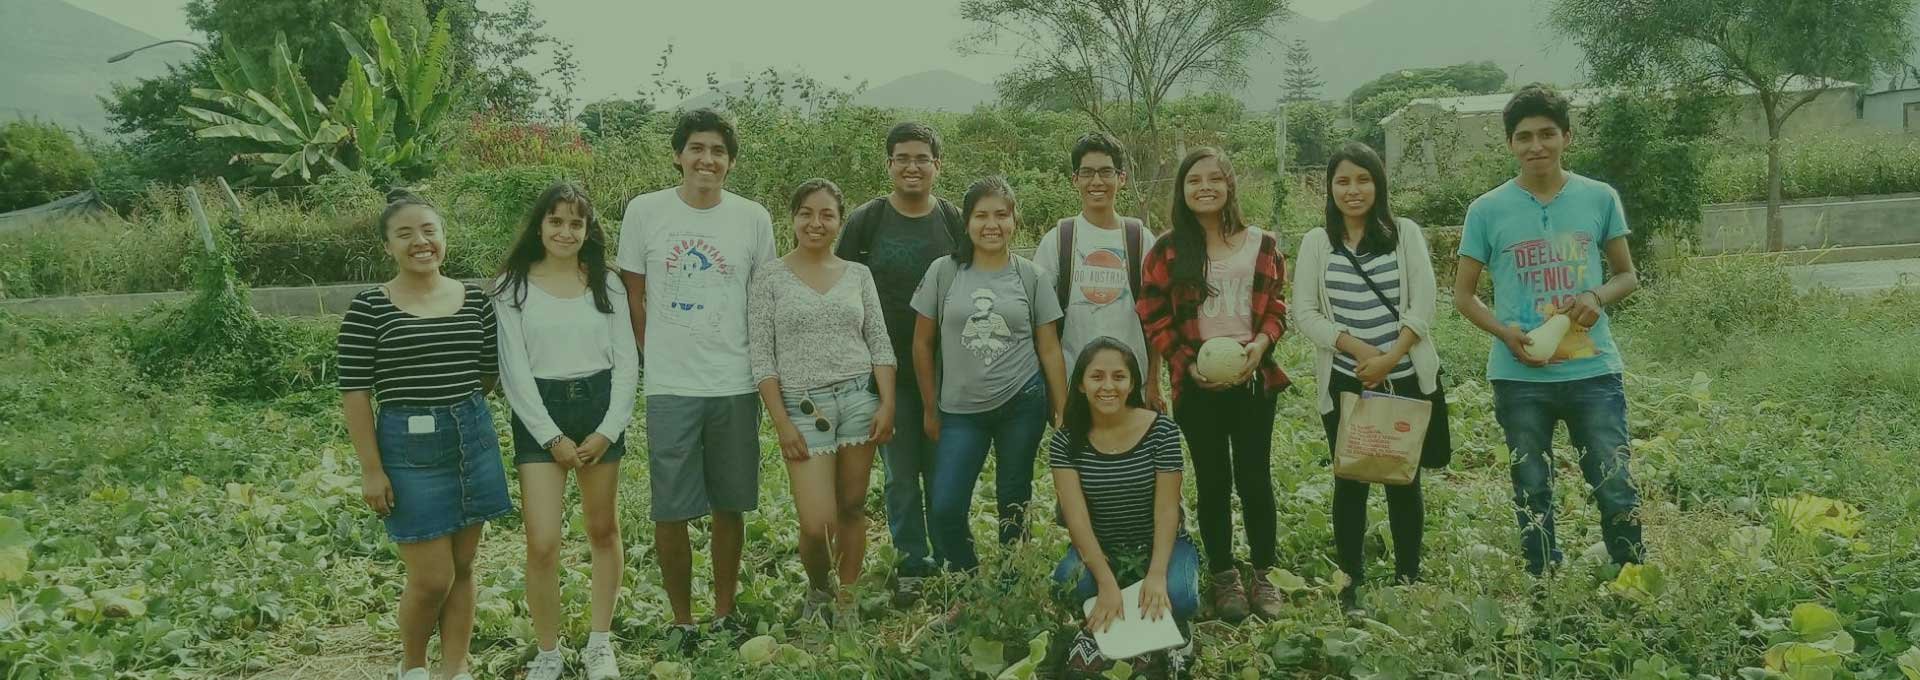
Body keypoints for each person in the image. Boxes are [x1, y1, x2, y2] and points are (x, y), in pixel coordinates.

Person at [1453, 84, 1644, 576]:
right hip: (1519, 378)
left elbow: (1627, 274)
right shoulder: (1487, 210)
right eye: (1524, 137)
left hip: (1593, 370)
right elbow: (1463, 295)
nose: (1536, 146)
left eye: (1546, 134)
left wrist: (1594, 295)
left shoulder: (1599, 198)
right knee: (1531, 483)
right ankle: (1544, 580)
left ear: (1567, 137)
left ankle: (1632, 575)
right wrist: (1505, 333)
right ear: (1510, 145)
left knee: (1613, 477)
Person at [616, 108, 778, 652]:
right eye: (696, 149)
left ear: (730, 163)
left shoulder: (752, 218)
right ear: (679, 154)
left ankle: (726, 610)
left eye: (718, 152)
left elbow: (761, 297)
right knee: (671, 506)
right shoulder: (645, 212)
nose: (706, 160)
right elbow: (634, 294)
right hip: (671, 385)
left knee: (729, 502)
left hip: (734, 380)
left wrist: (760, 370)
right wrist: (652, 353)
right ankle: (682, 619)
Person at [339, 190, 512, 680]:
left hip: (472, 439)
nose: (421, 241)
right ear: (388, 246)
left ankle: (453, 668)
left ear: (443, 236)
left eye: (429, 230)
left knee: (464, 567)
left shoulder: (476, 301)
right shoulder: (370, 307)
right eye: (406, 233)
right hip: (408, 451)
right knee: (432, 578)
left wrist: (454, 412)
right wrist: (372, 470)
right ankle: (413, 667)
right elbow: (355, 393)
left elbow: (485, 374)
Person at [1289, 142, 1450, 612]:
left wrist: (1390, 356)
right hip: (1345, 382)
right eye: (1343, 181)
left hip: (1401, 378)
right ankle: (1350, 581)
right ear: (1330, 188)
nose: (1353, 190)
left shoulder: (1405, 234)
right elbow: (1305, 312)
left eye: (1363, 179)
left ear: (1378, 184)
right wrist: (1358, 349)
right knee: (1351, 480)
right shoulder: (1318, 242)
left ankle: (1408, 576)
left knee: (1404, 479)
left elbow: (1424, 304)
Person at [1137, 147, 1290, 623]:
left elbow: (1276, 309)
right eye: (1193, 181)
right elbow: (1153, 314)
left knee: (1254, 477)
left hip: (1251, 381)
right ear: (1183, 191)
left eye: (1214, 179)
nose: (1204, 187)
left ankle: (1265, 572)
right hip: (1195, 388)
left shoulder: (1261, 244)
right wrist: (1187, 364)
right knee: (1212, 481)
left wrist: (1261, 346)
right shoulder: (1167, 249)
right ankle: (1224, 576)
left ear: (1229, 186)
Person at [491, 182, 637, 680]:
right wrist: (550, 436)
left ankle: (600, 642)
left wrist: (610, 427)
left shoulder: (606, 283)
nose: (565, 231)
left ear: (588, 229)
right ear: (539, 225)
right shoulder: (512, 285)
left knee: (602, 529)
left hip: (598, 408)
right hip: (540, 414)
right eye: (556, 221)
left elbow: (626, 362)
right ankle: (548, 651)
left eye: (576, 222)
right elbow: (513, 369)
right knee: (543, 542)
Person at [748, 178, 896, 626]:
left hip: (857, 400)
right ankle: (818, 588)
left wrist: (886, 402)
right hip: (803, 408)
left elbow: (880, 342)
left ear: (839, 221)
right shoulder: (770, 276)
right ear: (793, 218)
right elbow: (762, 356)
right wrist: (781, 422)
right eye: (807, 213)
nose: (816, 223)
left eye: (827, 214)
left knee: (852, 507)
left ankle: (846, 597)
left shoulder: (858, 274)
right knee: (816, 523)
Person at [910, 176, 1068, 596]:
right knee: (945, 505)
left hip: (1023, 401)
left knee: (1013, 497)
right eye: (981, 215)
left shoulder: (1031, 276)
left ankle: (1014, 585)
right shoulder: (944, 272)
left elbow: (1049, 348)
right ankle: (966, 582)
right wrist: (929, 406)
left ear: (1015, 220)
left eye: (1001, 214)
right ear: (967, 222)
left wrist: (1061, 406)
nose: (991, 224)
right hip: (959, 410)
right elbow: (922, 344)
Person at [835, 122, 968, 606]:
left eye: (922, 158)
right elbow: (839, 284)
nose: (912, 167)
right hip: (884, 373)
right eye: (902, 158)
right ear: (889, 164)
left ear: (938, 165)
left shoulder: (953, 220)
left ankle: (951, 557)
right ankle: (913, 561)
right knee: (900, 474)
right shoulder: (867, 222)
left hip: (949, 373)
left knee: (945, 472)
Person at [1049, 337, 1198, 676]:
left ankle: (1179, 637)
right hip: (1101, 547)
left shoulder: (1161, 430)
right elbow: (1077, 519)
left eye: (1119, 377)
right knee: (1067, 582)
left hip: (1161, 544)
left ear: (1132, 383)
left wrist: (1157, 575)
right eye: (1097, 376)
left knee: (1179, 595)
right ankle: (1106, 631)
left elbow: (1166, 511)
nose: (1108, 386)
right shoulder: (1065, 439)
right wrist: (1105, 582)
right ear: (1082, 385)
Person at [1032, 132, 1165, 411]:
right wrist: (1058, 396)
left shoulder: (1140, 239)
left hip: (1132, 384)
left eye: (1106, 172)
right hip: (1076, 386)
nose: (1096, 182)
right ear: (1075, 180)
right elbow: (1042, 327)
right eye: (1087, 173)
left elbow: (1157, 318)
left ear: (1122, 178)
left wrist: (1154, 381)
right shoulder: (1057, 240)